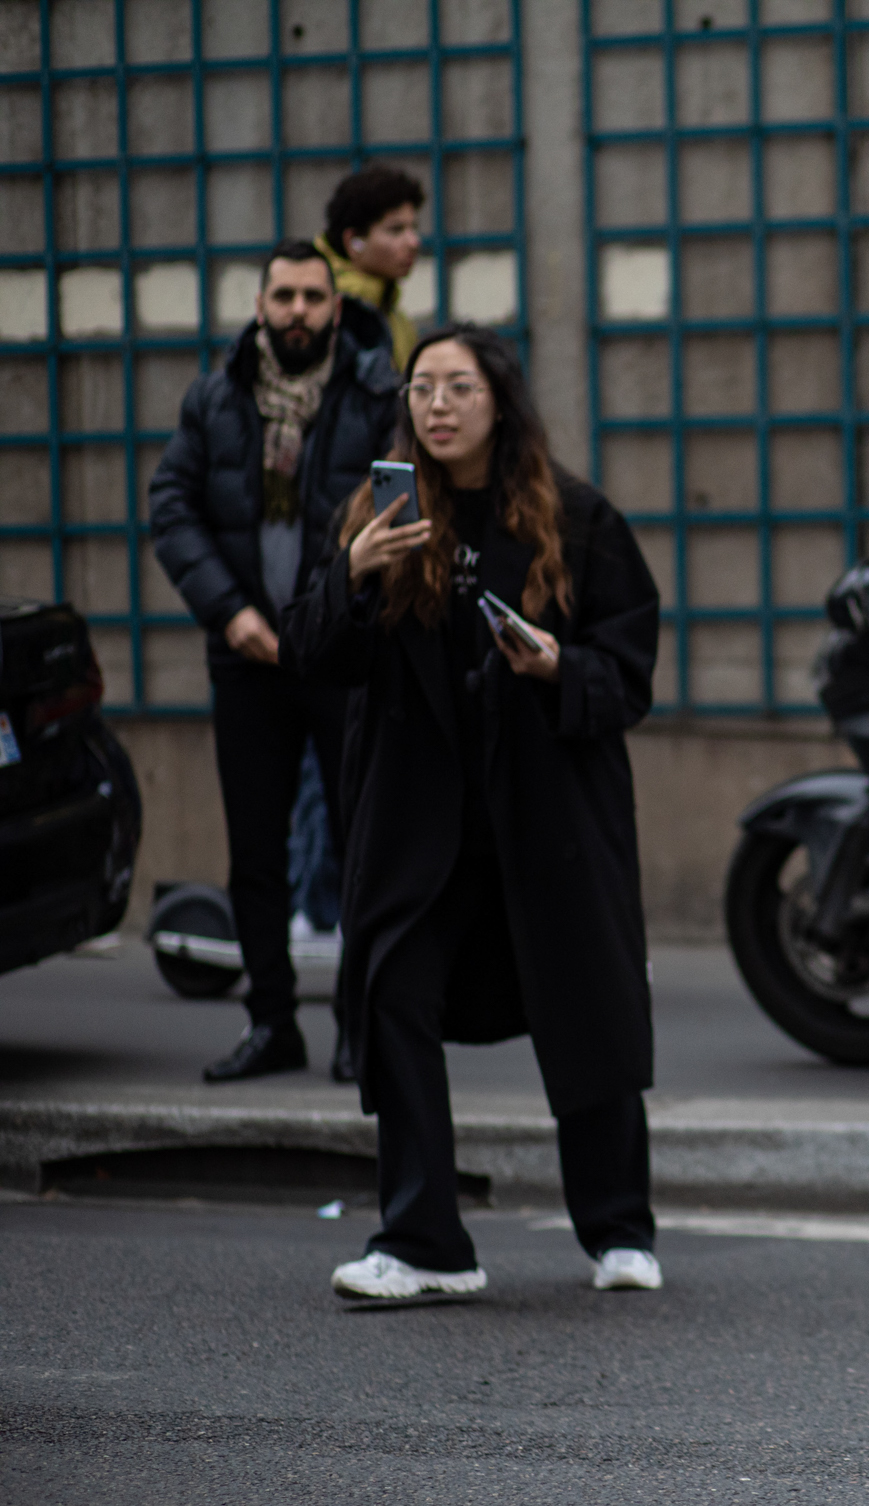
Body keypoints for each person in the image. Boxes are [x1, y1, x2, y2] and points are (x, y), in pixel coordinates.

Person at [291, 325, 665, 1301]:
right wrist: (354, 577)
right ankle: (424, 1242)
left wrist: (556, 666)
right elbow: (313, 657)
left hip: (545, 811)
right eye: (422, 388)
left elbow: (628, 676)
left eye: (459, 387)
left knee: (584, 1002)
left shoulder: (574, 519)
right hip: (420, 813)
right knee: (395, 994)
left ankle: (619, 1226)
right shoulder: (376, 516)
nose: (437, 405)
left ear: (500, 401)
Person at [149, 241, 399, 1083]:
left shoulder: (376, 394)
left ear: (336, 307)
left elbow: (399, 513)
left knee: (362, 843)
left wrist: (340, 609)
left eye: (312, 298)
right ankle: (271, 1023)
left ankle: (359, 1029)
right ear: (261, 306)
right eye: (283, 296)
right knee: (255, 851)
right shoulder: (216, 398)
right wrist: (231, 613)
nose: (297, 311)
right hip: (248, 654)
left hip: (344, 655)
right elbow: (172, 506)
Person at [317, 165, 427, 371]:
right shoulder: (331, 312)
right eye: (396, 230)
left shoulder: (390, 310)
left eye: (414, 228)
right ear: (353, 242)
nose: (414, 242)